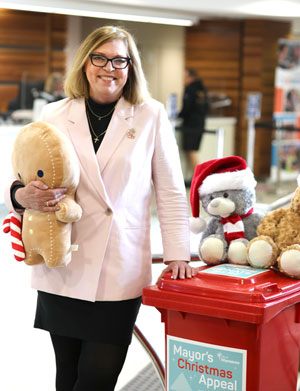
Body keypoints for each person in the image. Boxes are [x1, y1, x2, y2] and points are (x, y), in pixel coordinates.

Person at [5, 25, 195, 391]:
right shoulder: (55, 113)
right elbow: (23, 174)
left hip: (118, 268)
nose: (110, 67)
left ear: (131, 67)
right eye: (101, 58)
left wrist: (178, 253)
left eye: (120, 60)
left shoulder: (150, 115)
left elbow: (170, 190)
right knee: (68, 375)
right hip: (64, 263)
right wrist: (19, 196)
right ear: (85, 63)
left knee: (98, 378)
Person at [178, 68, 208, 184]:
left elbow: (187, 107)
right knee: (193, 150)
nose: (183, 80)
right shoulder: (202, 88)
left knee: (191, 151)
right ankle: (197, 177)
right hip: (200, 122)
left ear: (191, 77)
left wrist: (180, 115)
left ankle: (198, 178)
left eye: (185, 77)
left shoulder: (190, 89)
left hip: (191, 124)